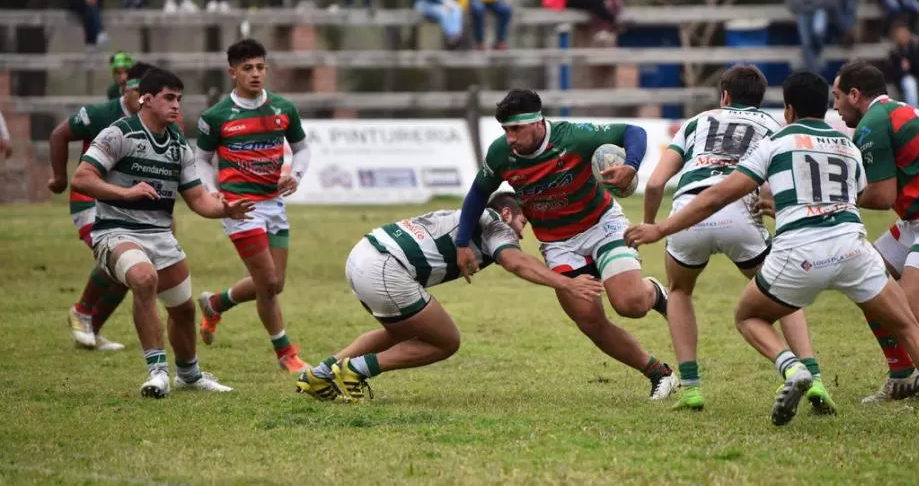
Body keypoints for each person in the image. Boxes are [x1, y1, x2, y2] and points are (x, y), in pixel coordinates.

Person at [626, 71, 919, 433]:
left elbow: (712, 194)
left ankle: (789, 368)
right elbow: (847, 193)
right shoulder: (848, 144)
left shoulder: (772, 140)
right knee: (905, 321)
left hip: (798, 251)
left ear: (788, 108)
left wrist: (659, 226)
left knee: (744, 313)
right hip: (855, 249)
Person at [454, 90, 679, 399]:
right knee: (589, 320)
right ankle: (659, 373)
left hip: (602, 225)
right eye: (505, 130)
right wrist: (462, 241)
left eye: (516, 129)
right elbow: (478, 194)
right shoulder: (500, 154)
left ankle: (653, 292)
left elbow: (632, 132)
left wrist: (632, 164)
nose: (510, 138)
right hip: (558, 244)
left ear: (537, 123)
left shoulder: (573, 137)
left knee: (630, 305)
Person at [642, 65, 834, 412]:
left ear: (725, 95)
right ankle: (814, 377)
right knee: (784, 293)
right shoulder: (773, 125)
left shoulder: (696, 122)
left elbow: (655, 183)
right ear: (760, 100)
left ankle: (691, 389)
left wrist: (651, 224)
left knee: (681, 291)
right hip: (740, 214)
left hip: (690, 210)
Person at [296, 193, 604, 402]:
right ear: (508, 212)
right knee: (446, 342)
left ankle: (320, 375)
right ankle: (355, 370)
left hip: (362, 254)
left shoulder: (469, 214)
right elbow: (516, 262)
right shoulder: (496, 222)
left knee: (399, 333)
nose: (522, 234)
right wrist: (567, 284)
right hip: (387, 267)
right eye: (523, 224)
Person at [71, 68, 248, 397]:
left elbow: (197, 199)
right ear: (146, 99)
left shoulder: (179, 144)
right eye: (169, 98)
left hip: (160, 236)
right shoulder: (118, 133)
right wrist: (126, 193)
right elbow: (81, 178)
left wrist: (225, 209)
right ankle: (157, 373)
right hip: (116, 232)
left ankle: (189, 375)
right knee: (144, 278)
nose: (177, 105)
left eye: (179, 99)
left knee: (183, 309)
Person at [833, 61, 919, 404]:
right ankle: (902, 377)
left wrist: (832, 202)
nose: (835, 106)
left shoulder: (873, 123)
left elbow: (881, 196)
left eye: (837, 97)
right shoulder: (898, 111)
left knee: (913, 308)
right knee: (866, 281)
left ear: (854, 94)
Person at [194, 39, 312, 373]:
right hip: (239, 207)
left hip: (273, 203)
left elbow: (302, 149)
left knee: (275, 284)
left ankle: (216, 303)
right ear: (233, 72)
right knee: (267, 281)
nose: (255, 74)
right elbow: (201, 160)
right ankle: (286, 353)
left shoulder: (283, 109)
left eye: (260, 67)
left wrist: (295, 175)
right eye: (247, 68)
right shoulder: (216, 116)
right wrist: (213, 191)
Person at [51, 62, 155, 350]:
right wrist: (59, 178)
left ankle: (91, 332)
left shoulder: (152, 120)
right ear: (124, 89)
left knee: (130, 272)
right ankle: (81, 311)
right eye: (139, 93)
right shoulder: (101, 114)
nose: (145, 99)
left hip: (125, 203)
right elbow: (59, 134)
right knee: (117, 254)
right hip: (89, 199)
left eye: (150, 94)